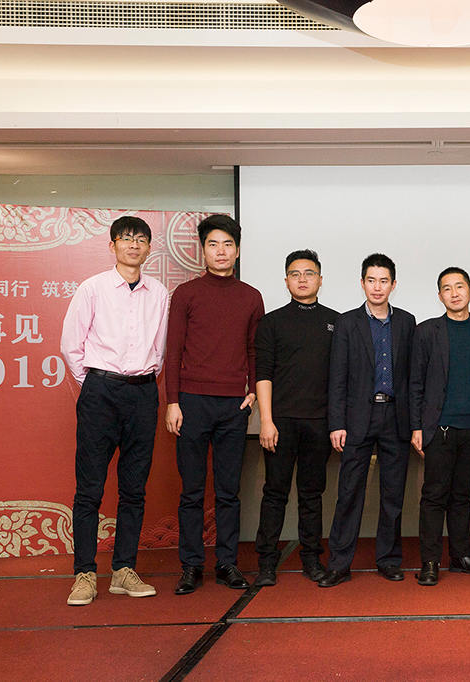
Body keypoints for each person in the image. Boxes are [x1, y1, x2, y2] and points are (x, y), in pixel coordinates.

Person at [60, 216, 169, 606]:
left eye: (141, 239)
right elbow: (71, 345)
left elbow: (160, 347)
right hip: (101, 393)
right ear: (112, 246)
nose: (133, 245)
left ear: (149, 248)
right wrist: (95, 383)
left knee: (134, 488)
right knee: (89, 488)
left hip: (143, 393)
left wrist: (142, 379)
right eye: (126, 238)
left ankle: (123, 570)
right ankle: (85, 574)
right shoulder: (93, 288)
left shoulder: (159, 293)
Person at [165, 214, 264, 595]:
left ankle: (226, 563)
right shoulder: (186, 294)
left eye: (227, 244)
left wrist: (252, 390)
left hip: (233, 406)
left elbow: (254, 349)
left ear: (237, 250)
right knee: (191, 491)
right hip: (191, 403)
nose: (221, 251)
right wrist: (173, 401)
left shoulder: (251, 296)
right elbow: (173, 351)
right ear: (202, 250)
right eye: (213, 244)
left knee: (228, 491)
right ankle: (191, 565)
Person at [319, 253, 416, 588]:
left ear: (393, 284)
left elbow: (412, 377)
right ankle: (339, 563)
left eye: (383, 281)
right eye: (371, 280)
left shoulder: (407, 322)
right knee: (349, 493)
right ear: (362, 283)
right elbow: (337, 377)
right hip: (358, 418)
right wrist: (336, 423)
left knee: (393, 494)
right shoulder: (347, 323)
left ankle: (388, 560)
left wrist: (415, 422)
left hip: (396, 417)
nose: (377, 287)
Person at [253, 250, 338, 586]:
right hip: (281, 423)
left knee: (312, 495)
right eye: (295, 274)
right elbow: (263, 374)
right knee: (275, 493)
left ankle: (311, 559)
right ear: (286, 280)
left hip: (320, 423)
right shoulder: (271, 322)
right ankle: (266, 563)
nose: (302, 279)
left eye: (309, 273)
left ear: (320, 279)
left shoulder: (336, 322)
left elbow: (341, 378)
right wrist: (266, 420)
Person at [409, 267, 470, 586]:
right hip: (439, 429)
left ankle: (461, 557)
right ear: (439, 296)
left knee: (462, 496)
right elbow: (415, 382)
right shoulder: (427, 331)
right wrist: (417, 427)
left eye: (460, 286)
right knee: (434, 496)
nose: (454, 293)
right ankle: (430, 562)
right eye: (447, 288)